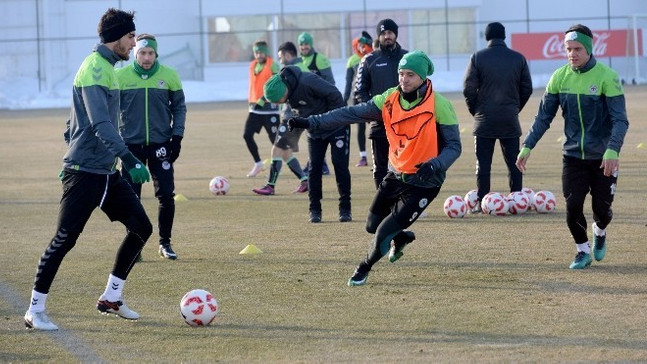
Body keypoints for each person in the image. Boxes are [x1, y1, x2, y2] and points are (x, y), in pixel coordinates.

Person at [24, 8, 152, 331]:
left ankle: (111, 297)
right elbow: (99, 124)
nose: (134, 43)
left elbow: (72, 123)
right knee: (64, 240)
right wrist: (131, 158)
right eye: (131, 37)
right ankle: (34, 310)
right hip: (84, 173)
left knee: (141, 227)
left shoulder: (107, 67)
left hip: (106, 173)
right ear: (117, 38)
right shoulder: (95, 68)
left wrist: (80, 145)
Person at [288, 51, 462, 286]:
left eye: (410, 74)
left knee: (382, 233)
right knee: (372, 226)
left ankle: (363, 268)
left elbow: (454, 146)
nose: (404, 79)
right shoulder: (388, 99)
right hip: (396, 173)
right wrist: (312, 122)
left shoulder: (439, 104)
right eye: (401, 74)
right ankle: (401, 238)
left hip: (424, 182)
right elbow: (349, 113)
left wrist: (435, 164)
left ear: (422, 77)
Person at [515, 24, 629, 270]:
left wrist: (613, 149)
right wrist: (527, 145)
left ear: (588, 49)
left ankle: (599, 231)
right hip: (573, 156)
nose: (572, 54)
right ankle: (582, 251)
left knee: (602, 209)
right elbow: (543, 117)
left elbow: (620, 120)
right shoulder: (559, 77)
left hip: (603, 157)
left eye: (577, 48)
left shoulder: (607, 77)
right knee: (573, 205)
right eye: (568, 49)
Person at [116, 33, 186, 260]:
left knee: (166, 195)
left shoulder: (170, 76)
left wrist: (177, 137)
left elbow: (179, 108)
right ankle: (133, 246)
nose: (146, 58)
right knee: (130, 198)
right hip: (130, 148)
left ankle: (165, 243)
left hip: (161, 146)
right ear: (135, 54)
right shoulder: (120, 77)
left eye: (150, 53)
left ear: (156, 54)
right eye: (142, 53)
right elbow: (109, 110)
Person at [263, 65, 352, 223]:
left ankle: (345, 209)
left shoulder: (307, 81)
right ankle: (315, 210)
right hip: (315, 130)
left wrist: (329, 120)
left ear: (284, 91)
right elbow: (301, 111)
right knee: (314, 168)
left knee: (340, 165)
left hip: (337, 125)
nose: (278, 104)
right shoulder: (287, 90)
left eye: (278, 100)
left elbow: (335, 95)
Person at [462, 22, 533, 213]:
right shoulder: (518, 58)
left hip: (484, 120)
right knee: (514, 163)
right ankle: (517, 201)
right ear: (503, 36)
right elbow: (527, 88)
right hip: (509, 119)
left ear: (487, 37)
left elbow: (468, 89)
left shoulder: (478, 57)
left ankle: (483, 202)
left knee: (483, 164)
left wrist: (475, 111)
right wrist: (514, 108)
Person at [355, 19, 408, 189]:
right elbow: (360, 92)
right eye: (383, 33)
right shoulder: (369, 60)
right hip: (380, 123)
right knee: (380, 168)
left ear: (395, 34)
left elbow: (421, 85)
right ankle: (382, 206)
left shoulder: (407, 57)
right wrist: (374, 111)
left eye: (390, 33)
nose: (387, 36)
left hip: (407, 123)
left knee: (407, 165)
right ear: (379, 36)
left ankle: (405, 204)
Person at [252, 41, 309, 195]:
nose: (280, 60)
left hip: (291, 117)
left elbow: (277, 89)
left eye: (280, 57)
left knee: (276, 150)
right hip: (300, 117)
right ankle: (304, 181)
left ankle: (270, 186)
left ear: (287, 54)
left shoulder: (289, 70)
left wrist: (263, 100)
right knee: (285, 153)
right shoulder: (304, 67)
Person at [243, 40, 280, 177]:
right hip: (254, 109)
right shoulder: (252, 65)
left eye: (261, 52)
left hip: (270, 109)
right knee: (247, 135)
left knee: (275, 140)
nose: (258, 55)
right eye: (256, 52)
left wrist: (264, 99)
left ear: (266, 52)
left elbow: (276, 85)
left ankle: (278, 165)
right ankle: (258, 163)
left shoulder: (273, 66)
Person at [298, 31, 332, 175]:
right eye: (301, 44)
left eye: (306, 44)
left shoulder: (320, 59)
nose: (304, 47)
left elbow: (330, 82)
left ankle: (318, 165)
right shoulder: (298, 61)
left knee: (318, 134)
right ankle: (317, 164)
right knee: (312, 134)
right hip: (307, 105)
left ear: (311, 44)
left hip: (320, 104)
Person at [343, 31, 373, 167]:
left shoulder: (373, 57)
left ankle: (380, 153)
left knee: (375, 125)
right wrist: (344, 99)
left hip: (372, 96)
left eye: (364, 45)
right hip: (357, 97)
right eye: (360, 45)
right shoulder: (352, 60)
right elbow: (348, 82)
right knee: (360, 127)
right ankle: (363, 157)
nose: (362, 48)